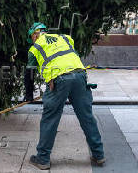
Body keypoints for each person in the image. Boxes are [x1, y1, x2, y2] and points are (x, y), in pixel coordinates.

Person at [24, 22, 105, 170]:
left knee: (50, 119)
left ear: (35, 34)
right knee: (86, 117)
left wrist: (28, 95)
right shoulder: (65, 38)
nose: (33, 40)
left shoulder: (35, 47)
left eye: (32, 37)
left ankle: (42, 159)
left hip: (59, 80)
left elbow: (29, 73)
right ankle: (99, 155)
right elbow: (70, 57)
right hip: (80, 76)